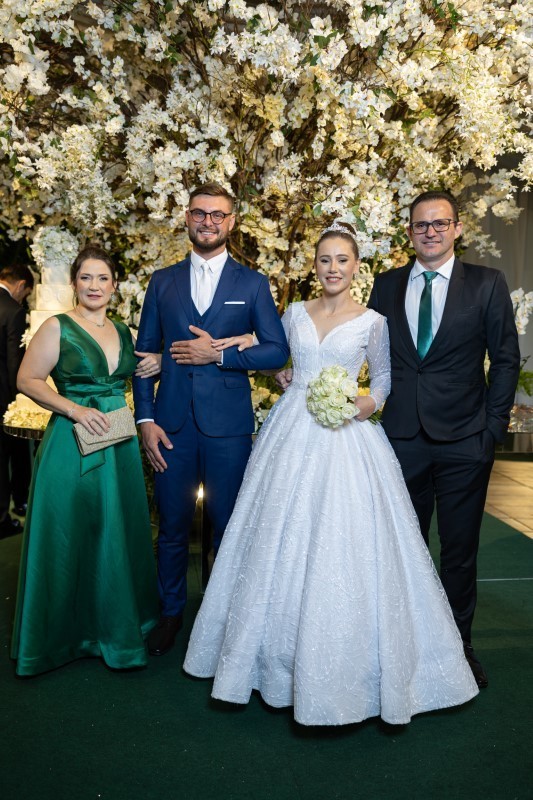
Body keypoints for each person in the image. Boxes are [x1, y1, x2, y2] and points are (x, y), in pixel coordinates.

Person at [183, 222, 479, 727]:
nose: (333, 268)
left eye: (342, 260)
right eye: (325, 260)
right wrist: (278, 369)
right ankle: (267, 662)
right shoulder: (295, 312)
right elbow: (276, 355)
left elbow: (382, 380)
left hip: (346, 436)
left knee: (344, 538)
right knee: (275, 533)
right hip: (290, 430)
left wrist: (361, 405)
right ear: (315, 265)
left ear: (356, 266)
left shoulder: (373, 322)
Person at [367, 190, 521, 689]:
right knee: (400, 549)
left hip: (464, 441)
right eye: (420, 224)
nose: (430, 232)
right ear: (409, 232)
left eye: (440, 223)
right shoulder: (386, 285)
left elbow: (505, 359)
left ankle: (458, 649)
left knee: (458, 552)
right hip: (400, 439)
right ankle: (400, 645)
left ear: (457, 228)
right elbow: (367, 352)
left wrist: (491, 429)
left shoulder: (487, 283)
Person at [132, 182, 289, 658]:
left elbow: (276, 350)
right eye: (200, 213)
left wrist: (219, 354)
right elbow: (144, 356)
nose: (208, 222)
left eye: (218, 214)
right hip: (171, 427)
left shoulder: (252, 284)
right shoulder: (162, 282)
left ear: (231, 221)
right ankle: (171, 614)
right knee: (172, 527)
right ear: (187, 217)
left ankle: (222, 620)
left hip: (229, 430)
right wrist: (145, 420)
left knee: (228, 527)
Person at [11, 245, 161, 676]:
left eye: (102, 278)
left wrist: (160, 361)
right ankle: (62, 638)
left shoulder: (124, 331)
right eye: (86, 277)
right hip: (71, 442)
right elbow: (26, 379)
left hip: (117, 444)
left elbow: (139, 371)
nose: (94, 286)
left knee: (113, 531)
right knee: (69, 533)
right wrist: (74, 409)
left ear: (115, 286)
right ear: (75, 283)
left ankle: (112, 628)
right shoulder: (56, 327)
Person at [0, 264, 34, 538]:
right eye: (26, 294)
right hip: (3, 396)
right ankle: (2, 519)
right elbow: (14, 362)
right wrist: (19, 401)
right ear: (21, 285)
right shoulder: (13, 311)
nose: (23, 299)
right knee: (3, 459)